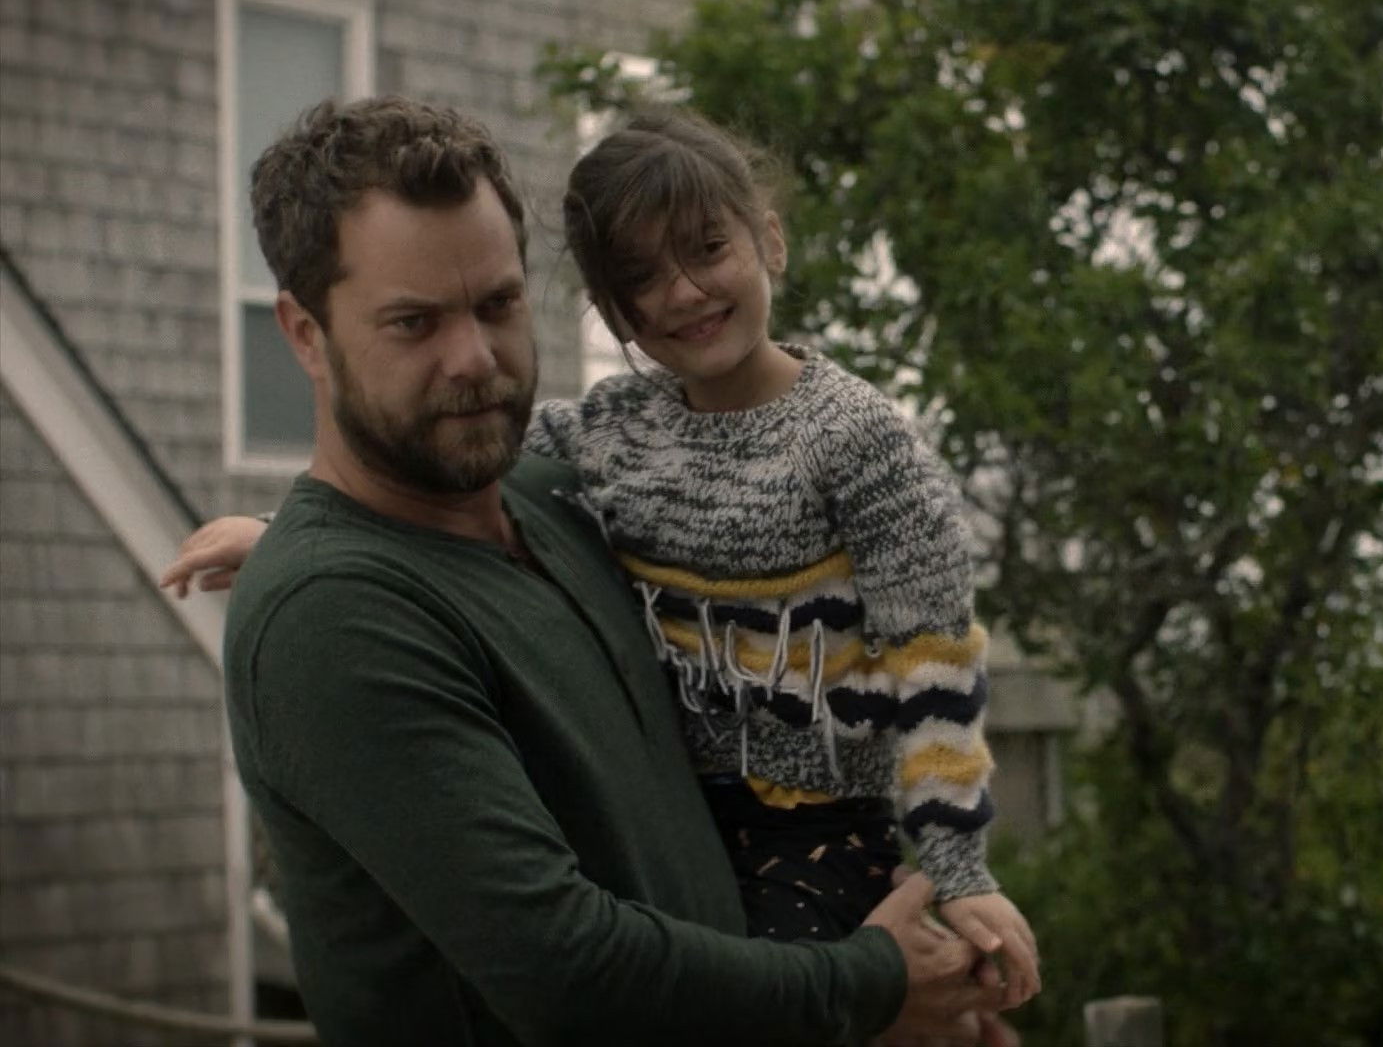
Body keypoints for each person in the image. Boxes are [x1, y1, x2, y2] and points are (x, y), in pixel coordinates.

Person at [178, 94, 1008, 1046]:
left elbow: (925, 655)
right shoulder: (331, 614)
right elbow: (569, 976)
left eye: (497, 304)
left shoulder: (562, 498)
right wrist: (873, 986)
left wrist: (938, 930)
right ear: (303, 333)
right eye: (413, 323)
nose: (473, 358)